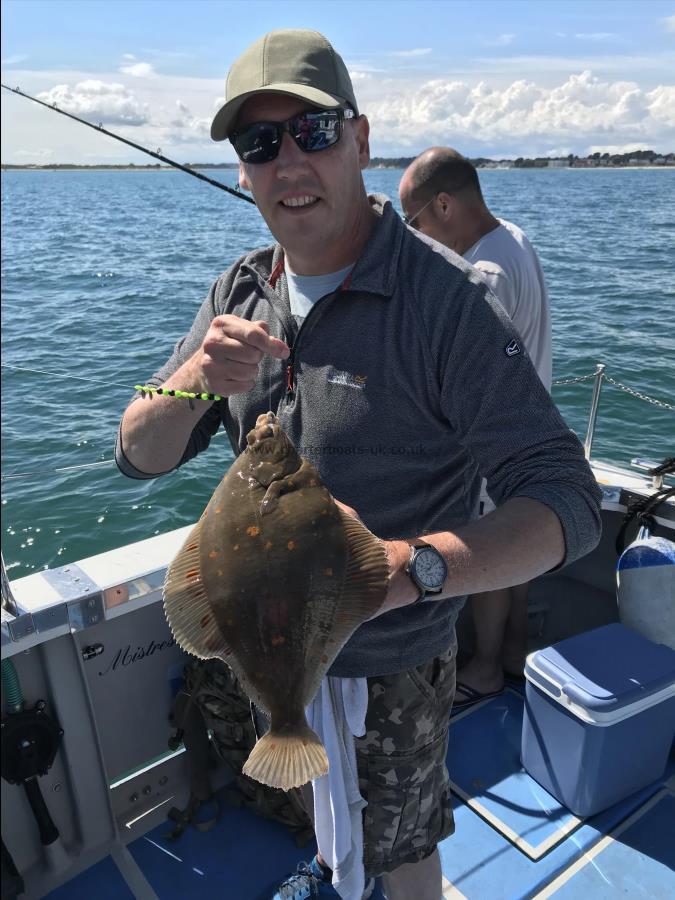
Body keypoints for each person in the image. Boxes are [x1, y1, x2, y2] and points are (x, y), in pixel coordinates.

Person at [115, 29, 602, 900]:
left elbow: (563, 500)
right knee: (311, 802)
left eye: (314, 132)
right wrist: (192, 380)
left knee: (403, 851)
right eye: (260, 144)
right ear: (241, 171)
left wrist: (411, 570)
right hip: (266, 638)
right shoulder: (239, 290)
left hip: (393, 662)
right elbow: (136, 456)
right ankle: (331, 862)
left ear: (363, 140)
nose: (288, 162)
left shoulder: (446, 302)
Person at [399, 148, 552, 708]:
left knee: (492, 559)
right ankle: (514, 651)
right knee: (524, 550)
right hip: (531, 434)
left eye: (413, 223)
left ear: (444, 203)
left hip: (491, 449)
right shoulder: (512, 237)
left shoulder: (481, 276)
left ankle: (486, 668)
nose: (412, 236)